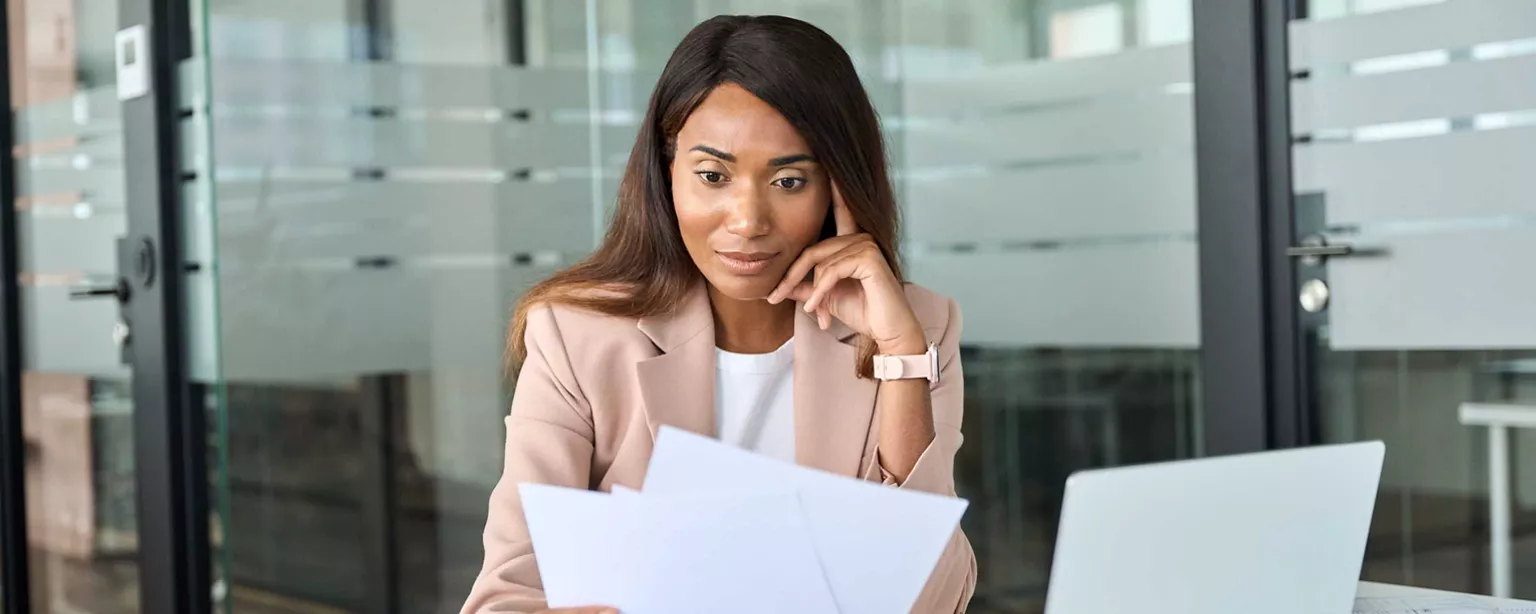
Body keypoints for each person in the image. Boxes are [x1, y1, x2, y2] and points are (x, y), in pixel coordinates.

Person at [460, 14, 976, 614]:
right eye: (713, 175)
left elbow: (933, 602)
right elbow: (504, 599)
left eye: (788, 181)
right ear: (667, 172)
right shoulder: (576, 336)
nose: (747, 220)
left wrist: (900, 357)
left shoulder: (916, 329)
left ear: (838, 184)